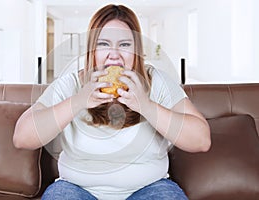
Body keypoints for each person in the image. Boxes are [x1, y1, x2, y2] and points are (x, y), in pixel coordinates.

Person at [13, 4, 211, 200]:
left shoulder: (156, 81)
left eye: (124, 45)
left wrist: (146, 106)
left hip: (150, 188)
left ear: (137, 51)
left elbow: (201, 141)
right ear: (91, 50)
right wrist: (78, 101)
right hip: (76, 189)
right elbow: (22, 137)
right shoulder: (71, 84)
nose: (114, 54)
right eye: (103, 44)